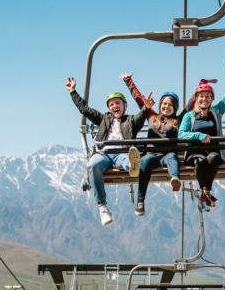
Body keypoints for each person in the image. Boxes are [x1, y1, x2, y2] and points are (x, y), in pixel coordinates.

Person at [66, 77, 152, 226]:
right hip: (104, 153)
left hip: (122, 153)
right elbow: (84, 109)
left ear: (124, 106)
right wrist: (73, 91)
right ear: (109, 108)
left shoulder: (131, 121)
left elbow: (142, 116)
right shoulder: (103, 119)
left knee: (127, 159)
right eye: (111, 104)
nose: (115, 106)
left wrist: (146, 108)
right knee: (93, 165)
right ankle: (103, 208)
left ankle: (132, 165)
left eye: (118, 103)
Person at [121, 73, 192, 216]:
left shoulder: (177, 120)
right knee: (145, 162)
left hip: (167, 155)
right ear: (160, 105)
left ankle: (175, 178)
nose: (167, 107)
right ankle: (140, 202)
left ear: (175, 107)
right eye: (164, 104)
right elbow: (139, 99)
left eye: (170, 104)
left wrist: (199, 88)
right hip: (152, 155)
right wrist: (129, 81)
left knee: (172, 157)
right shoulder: (152, 116)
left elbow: (190, 105)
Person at [178, 57, 225, 206]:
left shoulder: (217, 112)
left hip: (214, 150)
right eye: (201, 96)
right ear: (196, 99)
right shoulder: (189, 116)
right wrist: (198, 135)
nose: (204, 99)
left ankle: (204, 191)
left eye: (207, 96)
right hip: (194, 151)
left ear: (211, 99)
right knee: (200, 162)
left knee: (212, 159)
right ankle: (206, 191)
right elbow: (181, 134)